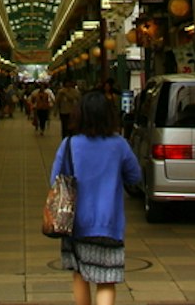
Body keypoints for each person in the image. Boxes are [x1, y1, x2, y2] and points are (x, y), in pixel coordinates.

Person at [51, 90, 142, 305]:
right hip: (109, 224)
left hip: (75, 224)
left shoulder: (69, 144)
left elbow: (55, 181)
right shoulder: (119, 144)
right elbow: (135, 176)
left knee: (80, 274)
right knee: (106, 280)